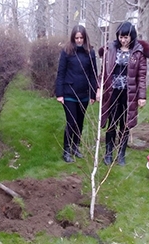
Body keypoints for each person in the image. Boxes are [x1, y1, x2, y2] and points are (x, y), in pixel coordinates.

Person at [98, 21, 149, 166]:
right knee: (112, 123)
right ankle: (108, 153)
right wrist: (99, 88)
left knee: (125, 125)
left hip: (129, 94)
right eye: (121, 37)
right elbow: (103, 72)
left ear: (132, 36)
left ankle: (121, 155)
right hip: (112, 92)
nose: (123, 40)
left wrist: (142, 96)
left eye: (126, 37)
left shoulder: (138, 52)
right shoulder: (110, 49)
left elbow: (141, 76)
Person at [55, 25, 98, 163]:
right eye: (76, 38)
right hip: (69, 93)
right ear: (73, 38)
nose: (79, 40)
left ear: (85, 38)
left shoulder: (90, 52)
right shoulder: (66, 51)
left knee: (80, 122)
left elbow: (93, 73)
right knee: (71, 122)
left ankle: (75, 147)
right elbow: (61, 73)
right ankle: (66, 151)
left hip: (84, 93)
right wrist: (59, 93)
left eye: (81, 38)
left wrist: (93, 93)